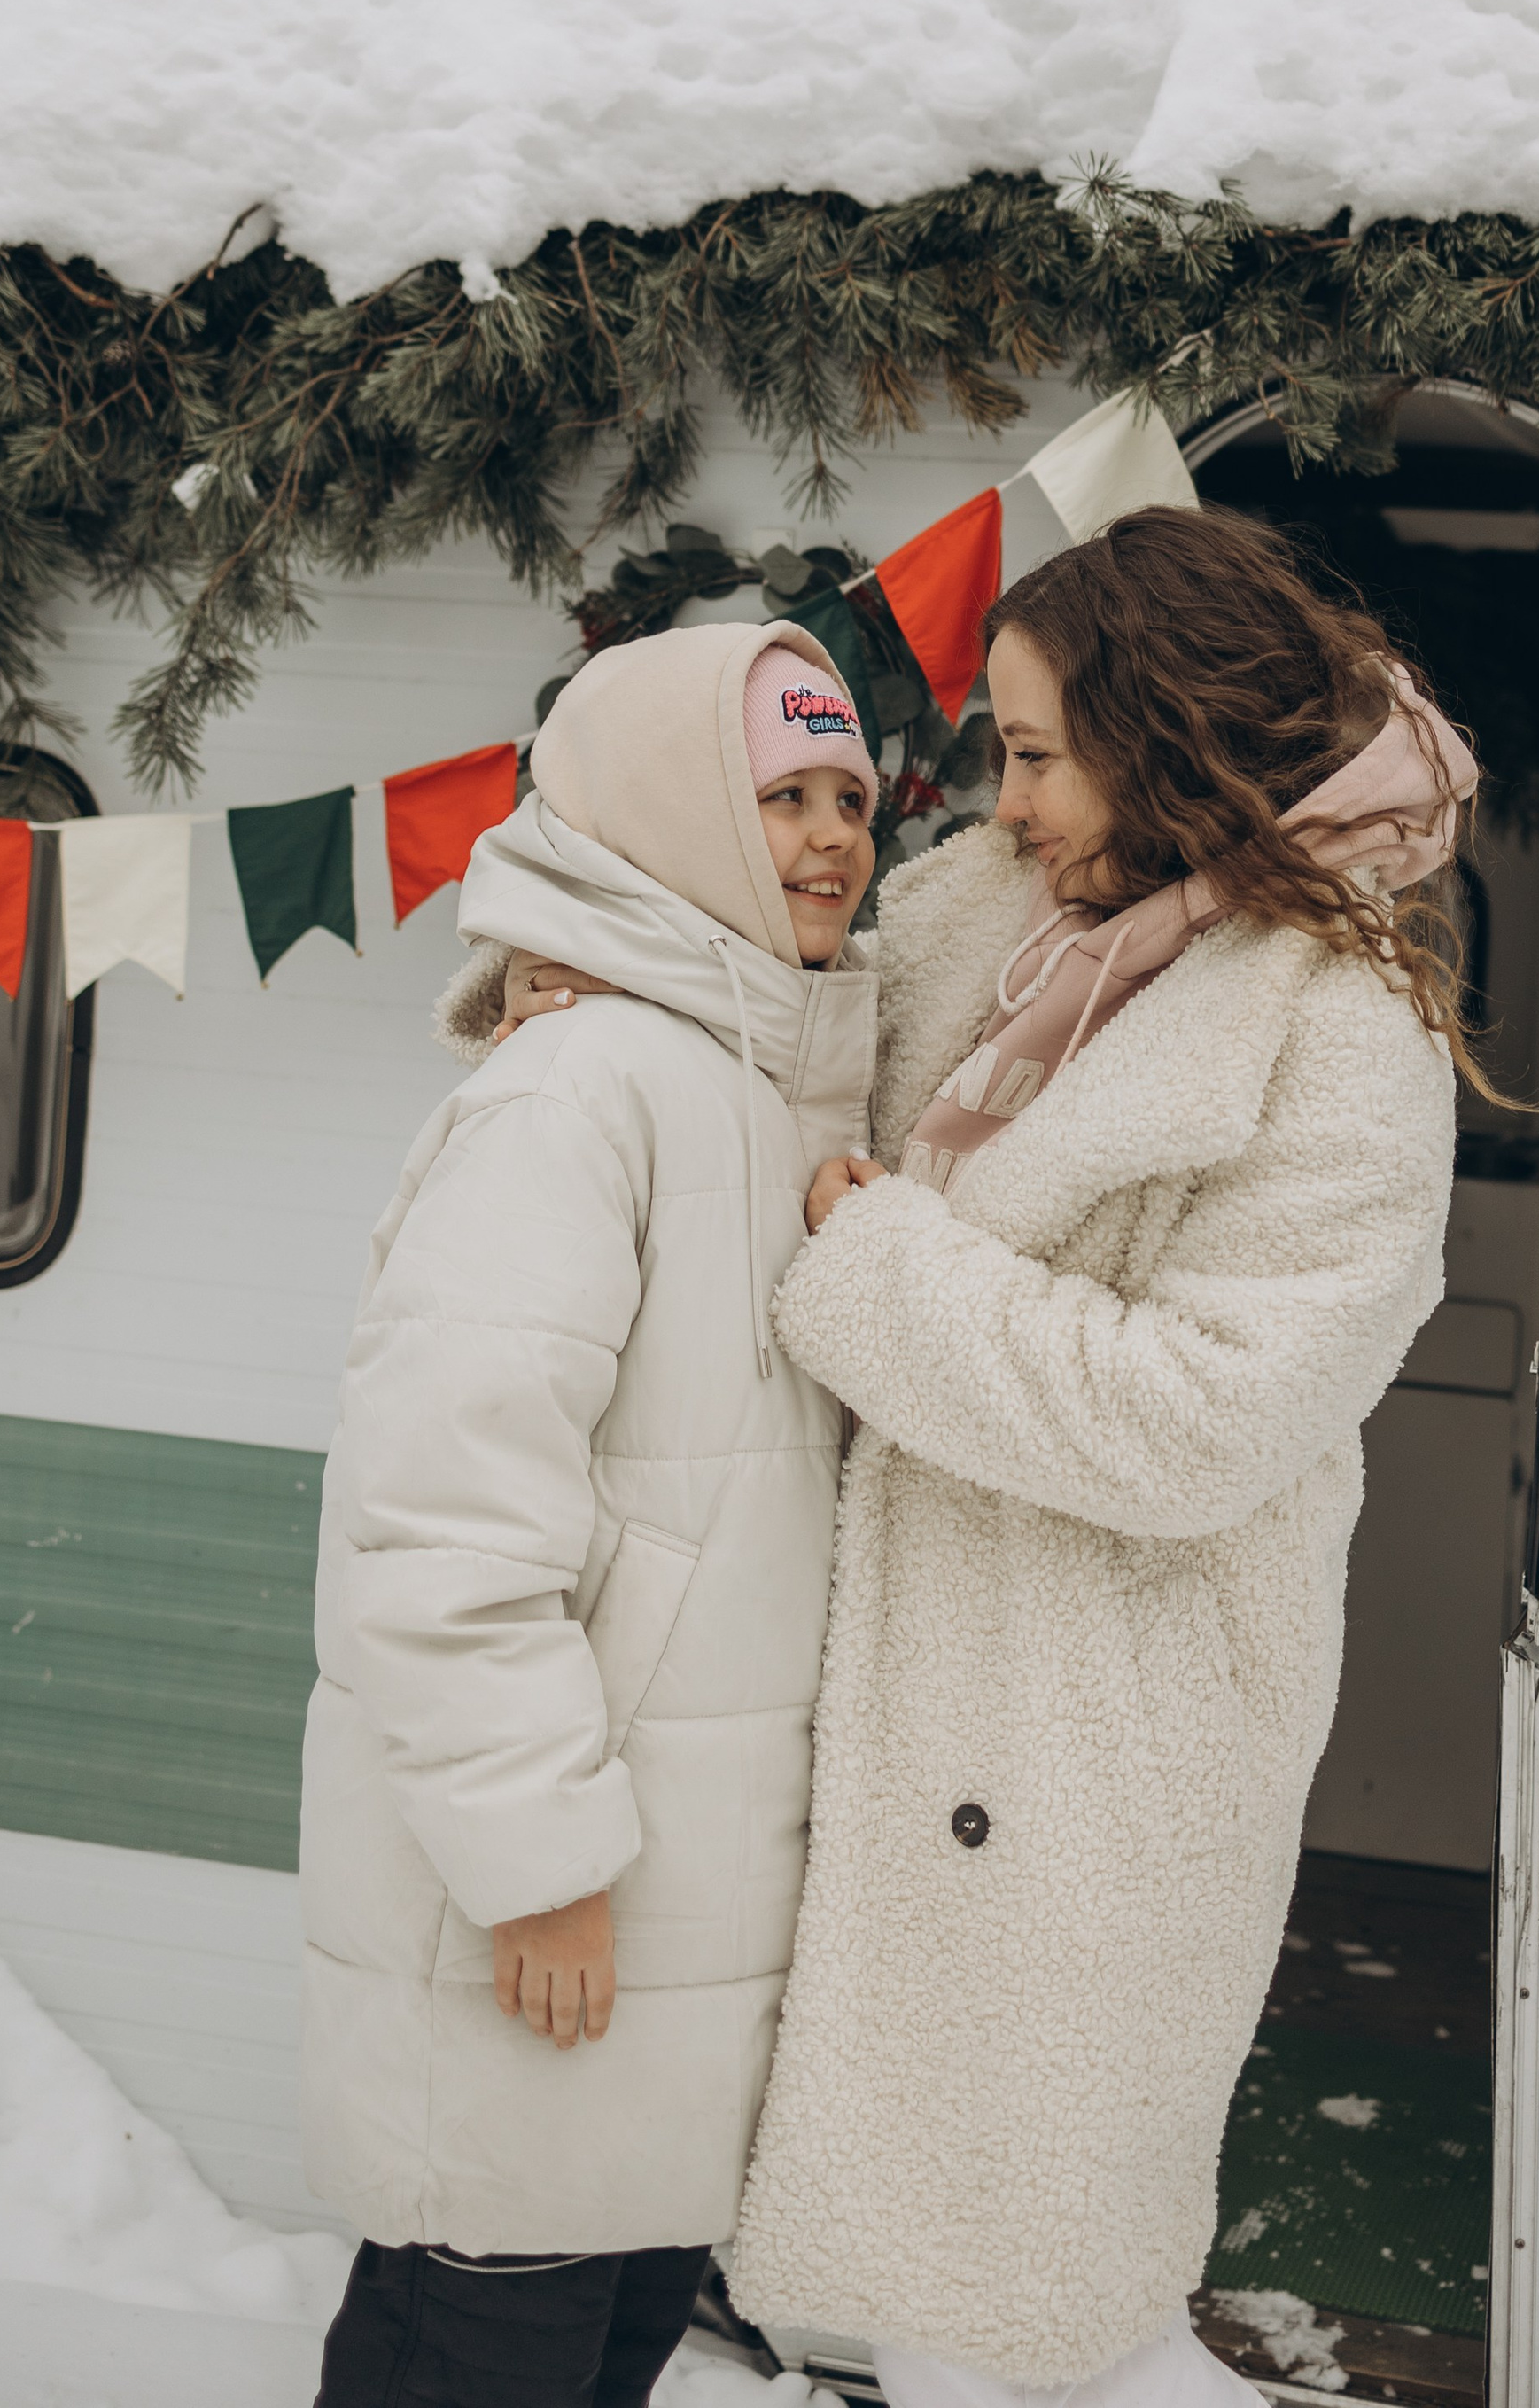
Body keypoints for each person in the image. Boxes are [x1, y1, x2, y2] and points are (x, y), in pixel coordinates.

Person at [722, 504, 1477, 2408]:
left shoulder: (1341, 1032)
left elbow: (1195, 1422)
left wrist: (874, 1264)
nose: (1000, 800)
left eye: (1040, 752)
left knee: (1018, 2302)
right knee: (952, 2297)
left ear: (1165, 735)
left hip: (1094, 1743)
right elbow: (785, 1031)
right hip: (906, 1681)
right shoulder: (1004, 921)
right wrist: (579, 988)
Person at [300, 623, 881, 2408]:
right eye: (775, 795)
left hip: (665, 1958)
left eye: (852, 797)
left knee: (595, 2354)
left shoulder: (752, 1093)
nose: (830, 836)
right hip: (546, 1927)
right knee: (471, 2351)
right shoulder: (576, 1093)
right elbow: (443, 1521)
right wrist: (537, 1865)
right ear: (662, 815)